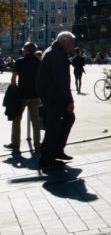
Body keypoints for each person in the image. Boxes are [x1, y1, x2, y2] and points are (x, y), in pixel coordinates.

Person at [37, 32, 77, 169]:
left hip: (52, 95)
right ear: (64, 41)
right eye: (70, 43)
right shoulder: (56, 54)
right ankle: (47, 156)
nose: (71, 46)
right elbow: (62, 80)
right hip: (55, 96)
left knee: (66, 119)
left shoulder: (53, 51)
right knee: (55, 126)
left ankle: (56, 151)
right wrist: (69, 100)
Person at [4, 43, 41, 154]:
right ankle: (37, 145)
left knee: (16, 120)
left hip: (22, 95)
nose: (22, 50)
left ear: (26, 50)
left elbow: (13, 78)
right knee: (36, 121)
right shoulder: (39, 62)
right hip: (35, 95)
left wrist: (14, 89)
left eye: (23, 49)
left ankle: (15, 144)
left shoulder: (20, 61)